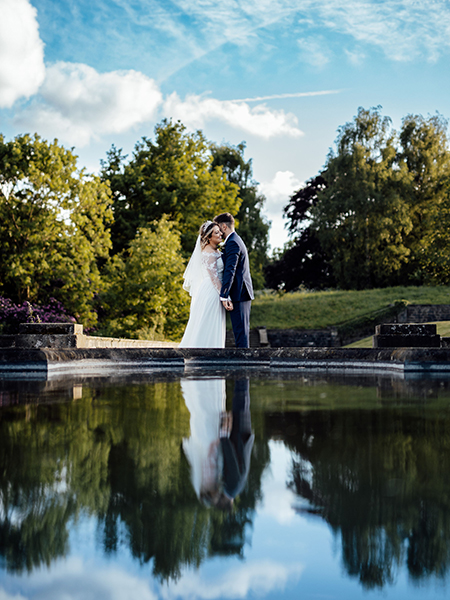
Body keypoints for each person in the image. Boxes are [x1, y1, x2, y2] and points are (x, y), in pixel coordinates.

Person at [179, 220, 230, 348]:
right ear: (208, 237)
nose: (220, 234)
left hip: (213, 290)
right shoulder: (208, 253)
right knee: (209, 322)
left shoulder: (215, 250)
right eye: (216, 233)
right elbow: (214, 278)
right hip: (212, 291)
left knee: (212, 323)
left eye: (220, 231)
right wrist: (225, 296)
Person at [214, 213, 254, 348]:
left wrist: (224, 295)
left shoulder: (232, 243)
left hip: (239, 293)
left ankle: (244, 366)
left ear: (224, 226)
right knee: (240, 333)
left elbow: (230, 270)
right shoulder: (235, 240)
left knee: (241, 335)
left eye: (219, 229)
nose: (219, 233)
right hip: (240, 293)